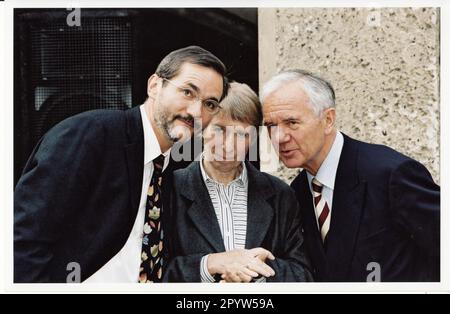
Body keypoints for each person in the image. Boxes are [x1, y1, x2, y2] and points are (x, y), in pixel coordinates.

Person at [14, 46, 229, 283]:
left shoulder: (167, 169)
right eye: (187, 92)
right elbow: (23, 241)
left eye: (210, 104)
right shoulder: (91, 134)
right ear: (155, 86)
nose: (196, 112)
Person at [261, 70, 440, 282]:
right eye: (271, 126)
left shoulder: (390, 174)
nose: (279, 137)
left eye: (292, 122)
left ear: (328, 120)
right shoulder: (296, 191)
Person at [164, 82, 313, 283]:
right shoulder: (169, 189)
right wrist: (210, 264)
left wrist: (258, 270)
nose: (228, 145)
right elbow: (150, 272)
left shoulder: (280, 194)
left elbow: (303, 274)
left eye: (242, 134)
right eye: (219, 130)